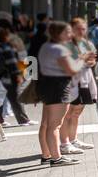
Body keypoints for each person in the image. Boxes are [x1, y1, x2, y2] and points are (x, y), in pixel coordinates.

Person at [36, 20, 92, 167]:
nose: (70, 34)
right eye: (67, 32)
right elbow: (72, 70)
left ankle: (47, 155)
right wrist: (83, 59)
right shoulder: (59, 50)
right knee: (55, 125)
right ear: (58, 34)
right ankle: (56, 158)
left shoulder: (46, 47)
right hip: (58, 87)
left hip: (46, 85)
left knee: (47, 124)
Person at [59, 17, 98, 156]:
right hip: (70, 82)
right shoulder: (66, 44)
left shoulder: (87, 43)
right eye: (78, 29)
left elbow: (92, 62)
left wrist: (90, 60)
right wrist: (83, 57)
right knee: (67, 114)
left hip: (85, 80)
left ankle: (73, 140)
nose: (81, 32)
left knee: (77, 112)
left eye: (83, 29)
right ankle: (64, 144)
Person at [0, 23, 30, 126]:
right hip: (7, 77)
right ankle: (23, 120)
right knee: (15, 97)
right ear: (4, 36)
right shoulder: (5, 47)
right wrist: (17, 75)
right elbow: (11, 63)